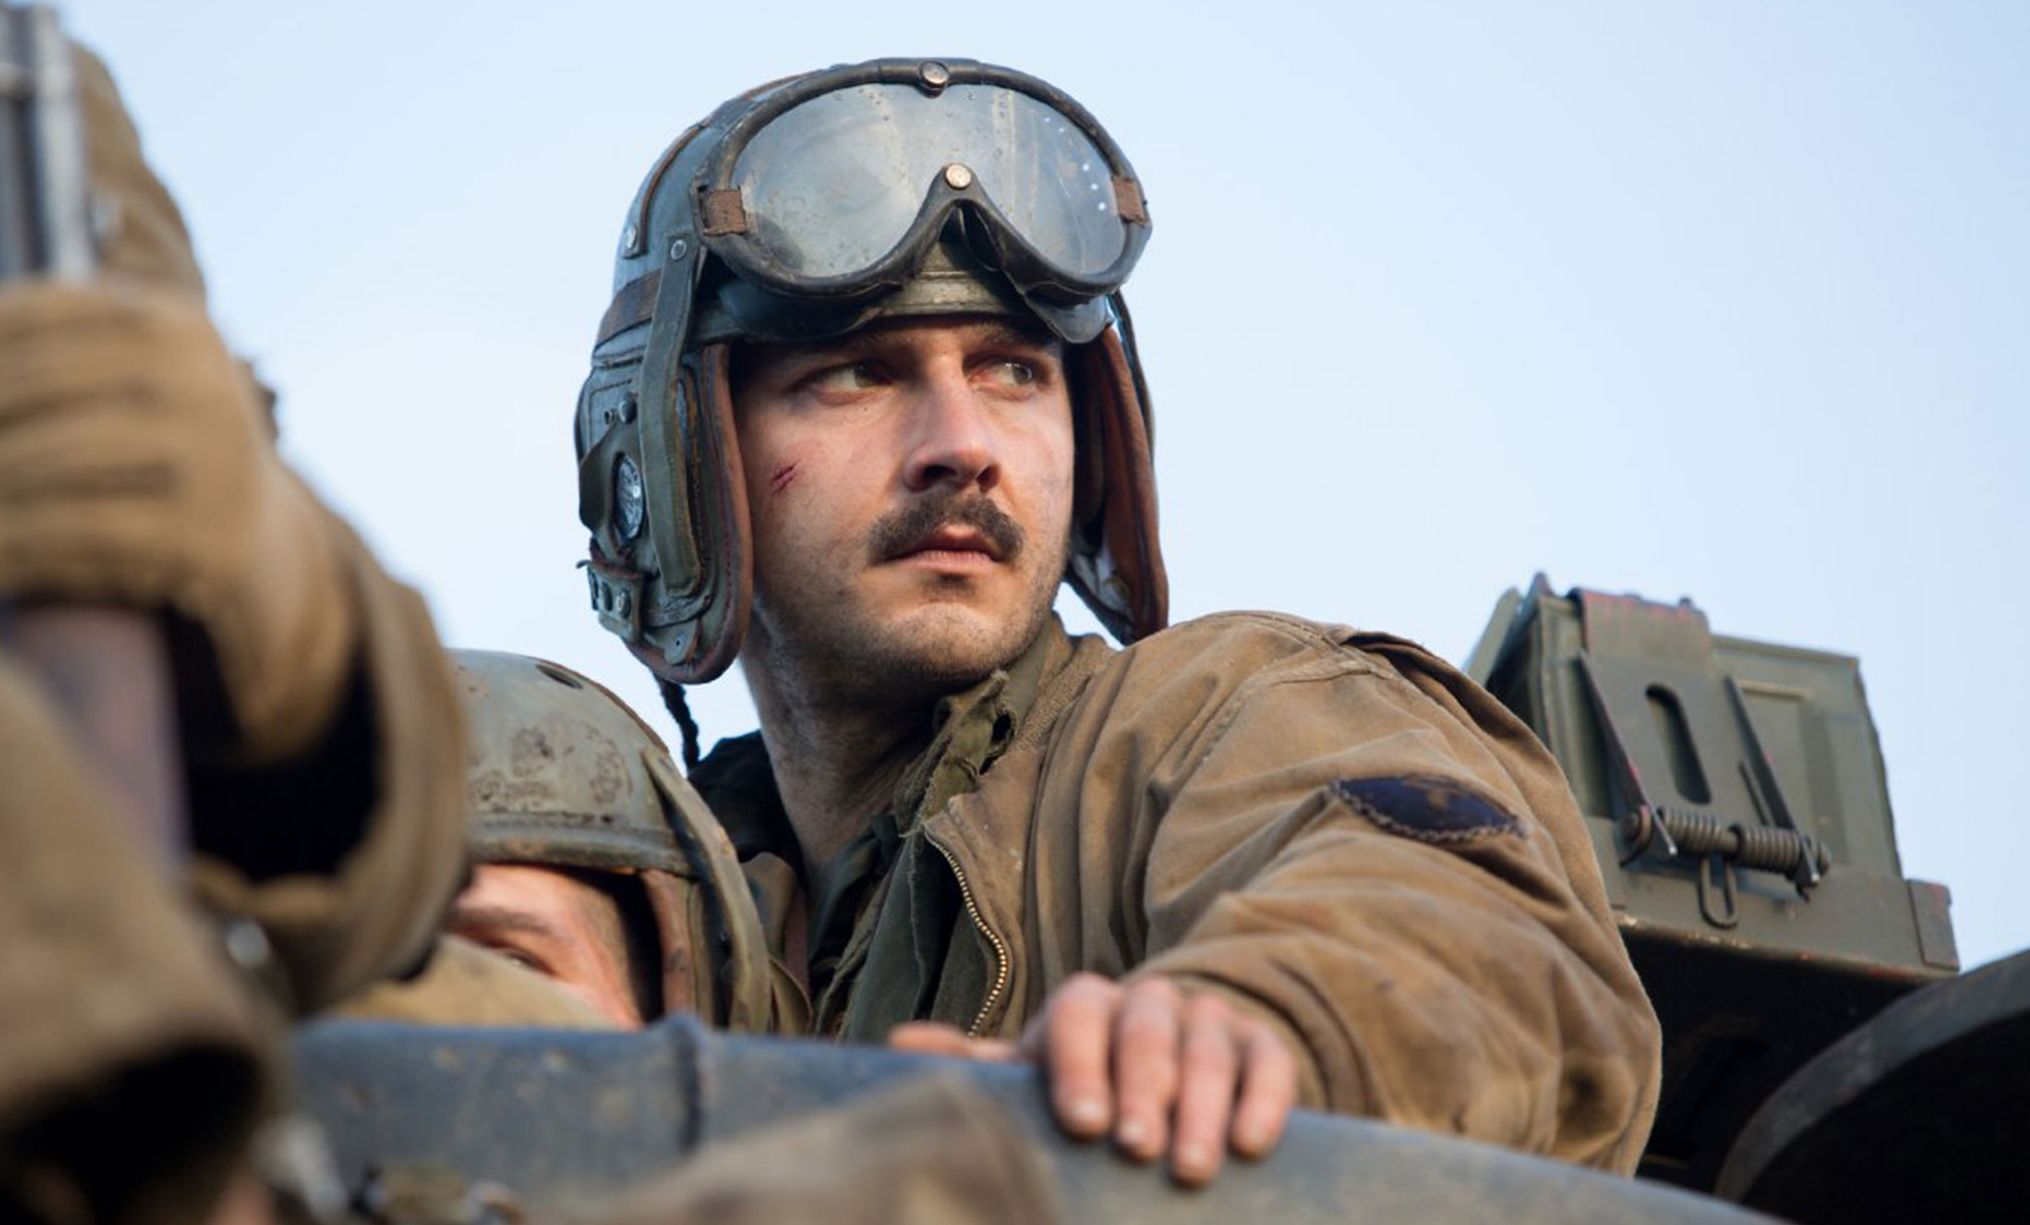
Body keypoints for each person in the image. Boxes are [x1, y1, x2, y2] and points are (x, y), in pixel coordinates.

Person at [571, 58, 1664, 1182]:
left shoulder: (1219, 713)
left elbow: (1462, 934)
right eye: (856, 374)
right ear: (682, 467)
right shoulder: (659, 907)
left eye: (1013, 372)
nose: (964, 441)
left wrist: (1254, 1022)